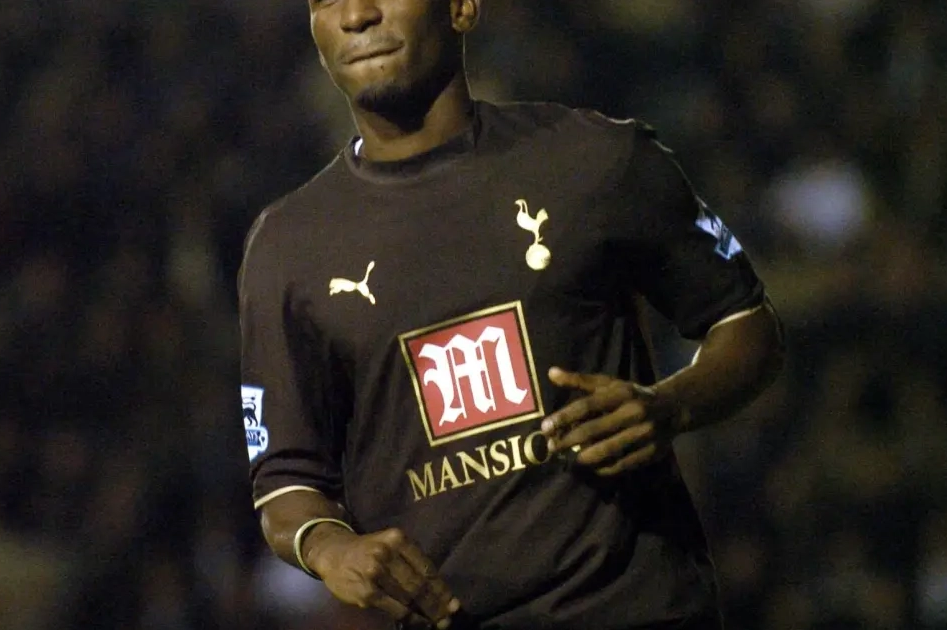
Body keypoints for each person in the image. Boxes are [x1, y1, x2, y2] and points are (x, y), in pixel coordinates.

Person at [236, 0, 785, 628]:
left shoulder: (596, 158)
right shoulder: (287, 248)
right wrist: (329, 548)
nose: (357, 14)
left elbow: (747, 322)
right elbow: (285, 481)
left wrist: (669, 406)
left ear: (462, 8)